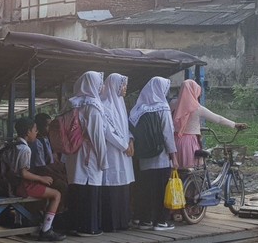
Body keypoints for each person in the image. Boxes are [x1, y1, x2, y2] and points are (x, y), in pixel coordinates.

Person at [129, 76, 178, 231]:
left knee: (145, 189)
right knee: (161, 190)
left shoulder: (137, 109)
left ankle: (145, 220)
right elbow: (167, 134)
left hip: (144, 158)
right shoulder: (162, 107)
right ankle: (161, 221)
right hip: (161, 157)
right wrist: (174, 156)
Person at [63, 71, 108, 236]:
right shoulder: (93, 106)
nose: (101, 86)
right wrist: (103, 160)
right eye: (99, 83)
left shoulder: (71, 103)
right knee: (90, 189)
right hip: (89, 154)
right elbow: (97, 136)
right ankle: (89, 227)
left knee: (76, 187)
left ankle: (74, 225)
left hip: (72, 153)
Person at [7, 117, 66, 242]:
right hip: (22, 186)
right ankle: (46, 229)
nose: (36, 132)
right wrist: (41, 178)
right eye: (34, 130)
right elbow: (23, 173)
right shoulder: (25, 149)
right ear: (28, 132)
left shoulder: (12, 146)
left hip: (11, 184)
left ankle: (40, 221)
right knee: (56, 194)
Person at [171, 79, 248, 168]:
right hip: (189, 142)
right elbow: (218, 119)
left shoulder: (173, 104)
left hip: (175, 141)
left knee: (179, 171)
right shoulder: (197, 108)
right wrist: (234, 124)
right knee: (193, 169)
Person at [100, 73, 134, 232]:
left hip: (124, 150)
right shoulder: (105, 105)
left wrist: (131, 140)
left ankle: (123, 221)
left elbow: (126, 127)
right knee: (113, 184)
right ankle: (111, 223)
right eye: (123, 84)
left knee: (123, 186)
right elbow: (109, 131)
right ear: (115, 85)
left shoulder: (120, 103)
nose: (125, 88)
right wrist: (124, 145)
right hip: (113, 151)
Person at [30, 112, 68, 212]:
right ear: (39, 127)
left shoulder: (47, 139)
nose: (50, 129)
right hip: (39, 173)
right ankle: (57, 213)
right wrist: (57, 173)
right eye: (47, 126)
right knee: (62, 185)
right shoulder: (36, 142)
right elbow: (41, 167)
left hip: (47, 170)